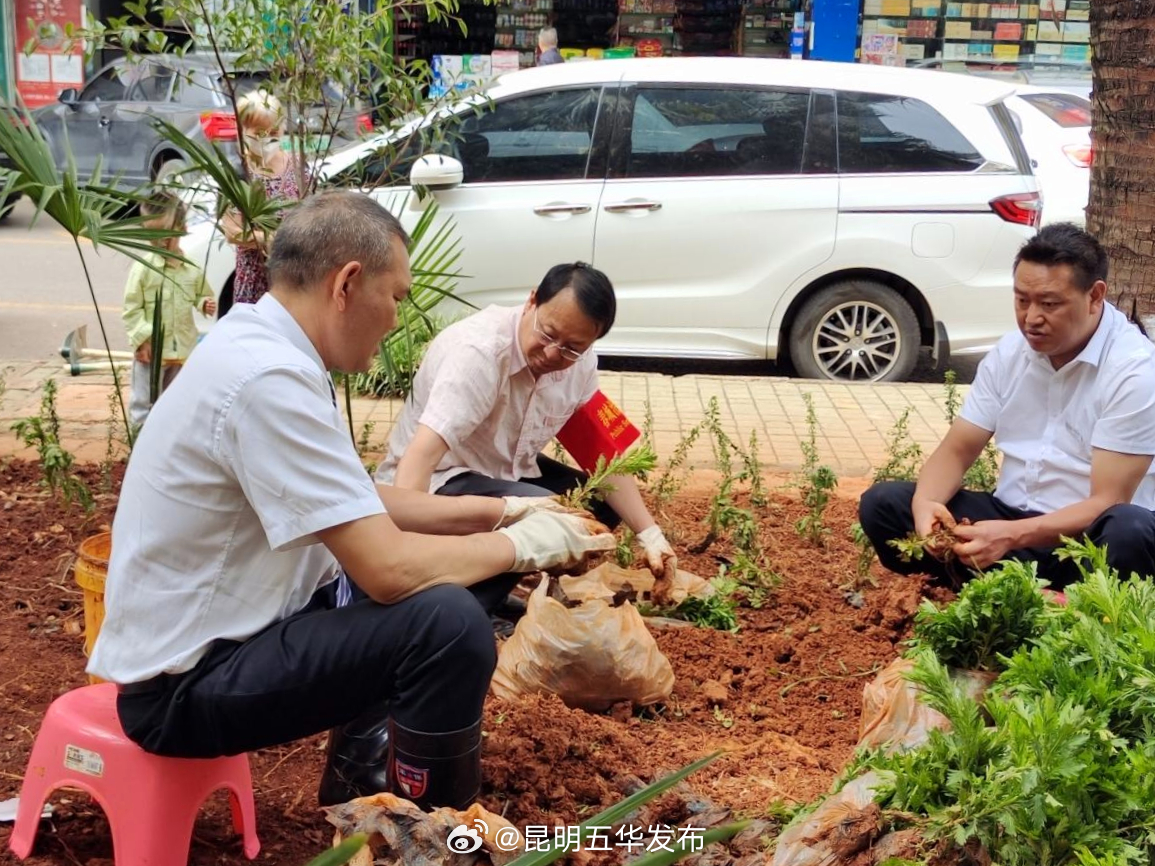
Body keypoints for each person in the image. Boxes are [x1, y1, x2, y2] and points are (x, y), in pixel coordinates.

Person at [88, 191, 614, 812]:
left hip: (228, 641)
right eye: (395, 298)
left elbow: (361, 498)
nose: (396, 319)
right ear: (347, 283)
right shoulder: (269, 382)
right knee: (447, 626)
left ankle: (363, 791)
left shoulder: (260, 346)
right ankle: (433, 834)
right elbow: (388, 570)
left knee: (412, 594)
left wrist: (508, 513)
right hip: (184, 687)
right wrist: (520, 547)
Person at [375, 262, 677, 622]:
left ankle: (491, 590)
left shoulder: (579, 363)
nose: (553, 354)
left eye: (571, 348)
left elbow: (603, 457)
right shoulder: (478, 355)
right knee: (549, 514)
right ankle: (462, 610)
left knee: (595, 503)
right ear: (532, 301)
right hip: (443, 476)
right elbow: (418, 461)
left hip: (505, 472)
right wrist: (404, 556)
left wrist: (651, 535)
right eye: (548, 335)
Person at [859, 223, 1155, 588]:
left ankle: (1069, 606)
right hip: (1009, 523)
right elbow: (957, 450)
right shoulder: (1010, 352)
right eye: (1021, 300)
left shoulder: (1135, 370)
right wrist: (926, 506)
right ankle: (998, 593)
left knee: (1131, 530)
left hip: (1086, 542)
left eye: (1049, 304)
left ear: (1095, 297)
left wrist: (1012, 535)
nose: (1031, 318)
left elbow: (1108, 500)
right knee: (884, 504)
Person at [121, 194, 216, 429]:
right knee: (143, 400)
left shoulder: (191, 268)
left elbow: (200, 294)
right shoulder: (142, 268)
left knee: (175, 398)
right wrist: (142, 339)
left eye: (166, 236)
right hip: (151, 351)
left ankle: (167, 436)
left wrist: (204, 304)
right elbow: (131, 308)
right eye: (154, 237)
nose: (161, 243)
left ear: (182, 229)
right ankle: (139, 438)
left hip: (182, 348)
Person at [223, 89, 310, 307]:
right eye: (260, 132)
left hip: (296, 278)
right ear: (243, 131)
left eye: (274, 131)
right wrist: (273, 240)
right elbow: (233, 231)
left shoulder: (299, 166)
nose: (268, 138)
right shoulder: (239, 173)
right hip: (256, 283)